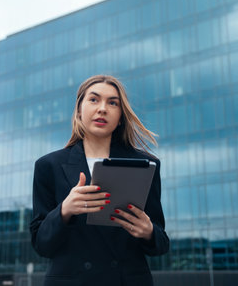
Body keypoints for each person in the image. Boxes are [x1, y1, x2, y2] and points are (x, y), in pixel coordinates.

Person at [30, 75, 169, 286]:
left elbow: (161, 244)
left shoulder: (146, 164)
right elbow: (41, 245)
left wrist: (148, 232)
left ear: (121, 116)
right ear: (79, 110)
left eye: (112, 103)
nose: (102, 108)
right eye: (94, 100)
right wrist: (65, 211)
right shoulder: (48, 166)